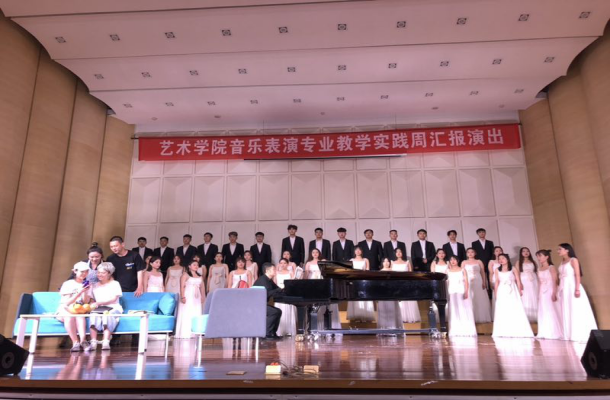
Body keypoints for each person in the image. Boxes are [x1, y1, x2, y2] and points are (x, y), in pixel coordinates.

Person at [557, 243, 597, 342]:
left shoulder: (573, 260)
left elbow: (577, 274)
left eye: (560, 249)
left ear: (567, 250)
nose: (558, 251)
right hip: (564, 287)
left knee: (575, 307)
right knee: (567, 308)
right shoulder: (562, 262)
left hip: (572, 286)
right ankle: (569, 333)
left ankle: (579, 332)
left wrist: (577, 288)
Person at [492, 254, 534, 338]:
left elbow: (518, 280)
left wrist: (520, 290)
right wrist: (496, 293)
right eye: (499, 259)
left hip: (512, 289)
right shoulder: (497, 270)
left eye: (503, 258)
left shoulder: (513, 268)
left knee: (514, 307)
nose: (501, 260)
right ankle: (504, 330)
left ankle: (517, 330)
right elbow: (496, 282)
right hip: (502, 290)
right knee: (503, 309)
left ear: (507, 259)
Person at [58, 262, 92, 352]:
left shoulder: (88, 284)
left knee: (80, 316)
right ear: (75, 271)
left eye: (86, 271)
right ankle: (75, 342)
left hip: (78, 309)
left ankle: (83, 340)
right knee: (69, 316)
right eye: (82, 271)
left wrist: (85, 291)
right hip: (65, 309)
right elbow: (66, 303)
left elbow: (85, 302)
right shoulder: (68, 284)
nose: (84, 273)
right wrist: (79, 292)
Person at [89, 262, 124, 351]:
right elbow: (92, 299)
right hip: (98, 308)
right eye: (98, 272)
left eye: (103, 273)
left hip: (113, 307)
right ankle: (93, 341)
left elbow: (114, 299)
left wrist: (99, 303)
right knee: (93, 315)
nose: (100, 274)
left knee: (107, 315)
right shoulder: (94, 285)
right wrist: (93, 304)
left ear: (109, 273)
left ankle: (106, 341)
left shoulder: (115, 283)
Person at [305, 249, 341, 329]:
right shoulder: (308, 263)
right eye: (313, 252)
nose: (315, 254)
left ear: (319, 253)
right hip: (312, 283)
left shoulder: (323, 261)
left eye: (317, 252)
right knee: (314, 304)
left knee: (323, 303)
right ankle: (314, 326)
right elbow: (306, 275)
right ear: (311, 254)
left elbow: (328, 272)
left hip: (322, 282)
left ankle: (325, 325)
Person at [535, 249, 563, 340]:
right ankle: (545, 331)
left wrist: (554, 292)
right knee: (544, 310)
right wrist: (538, 294)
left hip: (551, 289)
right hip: (542, 291)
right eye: (537, 256)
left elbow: (555, 281)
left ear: (547, 257)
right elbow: (539, 282)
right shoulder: (539, 269)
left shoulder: (551, 267)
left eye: (540, 256)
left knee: (552, 309)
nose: (539, 258)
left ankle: (555, 331)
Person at [447, 256, 477, 337]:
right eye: (451, 260)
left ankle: (466, 329)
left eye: (454, 260)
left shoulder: (463, 270)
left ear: (457, 261)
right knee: (453, 309)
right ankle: (455, 329)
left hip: (461, 289)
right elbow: (447, 282)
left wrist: (466, 291)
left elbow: (466, 281)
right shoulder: (448, 271)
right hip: (451, 290)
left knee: (463, 308)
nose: (453, 261)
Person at [253, 263, 284, 339]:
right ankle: (267, 333)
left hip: (262, 304)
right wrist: (279, 289)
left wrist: (283, 290)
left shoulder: (269, 280)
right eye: (273, 269)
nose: (275, 271)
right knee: (274, 312)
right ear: (267, 271)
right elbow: (267, 294)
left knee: (278, 311)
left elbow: (277, 290)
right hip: (256, 305)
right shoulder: (263, 280)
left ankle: (272, 333)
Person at [175, 260, 205, 339]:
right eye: (194, 265)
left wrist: (203, 296)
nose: (196, 266)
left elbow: (202, 287)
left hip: (197, 297)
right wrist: (182, 296)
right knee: (187, 311)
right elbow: (182, 286)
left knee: (196, 311)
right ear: (189, 266)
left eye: (197, 265)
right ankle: (185, 332)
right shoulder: (185, 274)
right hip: (188, 295)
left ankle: (195, 332)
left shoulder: (200, 276)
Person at [462, 248, 491, 323]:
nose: (470, 253)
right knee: (470, 297)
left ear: (475, 253)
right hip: (468, 281)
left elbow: (482, 272)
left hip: (478, 280)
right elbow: (462, 273)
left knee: (480, 297)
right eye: (468, 252)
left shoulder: (479, 261)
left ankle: (481, 317)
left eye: (472, 252)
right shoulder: (464, 262)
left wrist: (484, 282)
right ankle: (470, 317)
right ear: (466, 254)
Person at [391, 248, 421, 323]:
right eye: (397, 252)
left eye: (400, 252)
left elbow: (411, 274)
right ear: (395, 254)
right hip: (396, 284)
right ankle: (400, 317)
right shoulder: (392, 263)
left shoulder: (407, 262)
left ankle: (408, 317)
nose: (398, 253)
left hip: (406, 283)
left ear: (402, 253)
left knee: (407, 300)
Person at [348, 247, 376, 322]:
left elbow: (368, 271)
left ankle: (365, 316)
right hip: (354, 281)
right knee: (356, 298)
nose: (358, 251)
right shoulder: (351, 260)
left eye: (359, 250)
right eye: (356, 250)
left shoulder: (365, 260)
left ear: (361, 251)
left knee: (364, 297)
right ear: (354, 252)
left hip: (363, 280)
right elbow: (349, 271)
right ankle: (356, 316)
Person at [377, 258, 403, 330]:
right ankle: (383, 329)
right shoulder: (379, 272)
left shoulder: (393, 271)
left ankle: (393, 329)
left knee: (393, 310)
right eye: (384, 261)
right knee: (383, 311)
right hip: (383, 294)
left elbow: (397, 283)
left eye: (387, 261)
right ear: (382, 263)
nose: (386, 263)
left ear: (389, 263)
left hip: (392, 293)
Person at [273, 258, 297, 336]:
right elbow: (274, 283)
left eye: (284, 263)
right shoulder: (276, 273)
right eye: (281, 263)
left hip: (288, 292)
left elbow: (293, 283)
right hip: (279, 293)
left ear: (287, 264)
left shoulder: (291, 272)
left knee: (288, 308)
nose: (282, 265)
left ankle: (289, 330)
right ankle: (280, 331)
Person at [516, 247, 539, 323]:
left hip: (533, 280)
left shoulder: (533, 261)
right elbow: (517, 274)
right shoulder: (518, 262)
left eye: (527, 251)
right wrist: (519, 283)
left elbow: (537, 271)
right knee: (526, 296)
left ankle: (537, 315)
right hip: (524, 280)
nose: (526, 252)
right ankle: (527, 316)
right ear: (521, 253)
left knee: (534, 295)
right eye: (524, 251)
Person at [471, 228, 495, 296]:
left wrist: (491, 261)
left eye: (483, 232)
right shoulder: (474, 243)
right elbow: (474, 253)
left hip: (489, 262)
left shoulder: (490, 242)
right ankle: (483, 293)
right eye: (480, 232)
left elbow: (492, 253)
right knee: (481, 278)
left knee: (490, 277)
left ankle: (491, 293)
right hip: (479, 263)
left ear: (485, 233)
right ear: (477, 234)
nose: (482, 233)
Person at [489, 246, 504, 316]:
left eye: (500, 250)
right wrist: (490, 282)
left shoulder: (505, 260)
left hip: (504, 279)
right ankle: (498, 314)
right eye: (497, 251)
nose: (499, 252)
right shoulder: (492, 262)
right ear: (494, 253)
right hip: (495, 280)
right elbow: (491, 273)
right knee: (497, 295)